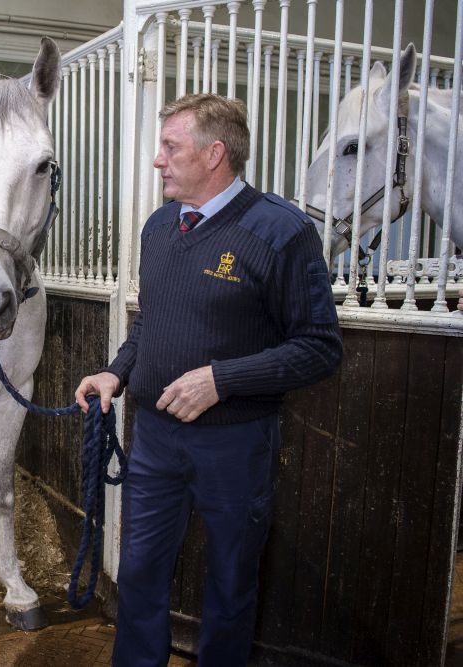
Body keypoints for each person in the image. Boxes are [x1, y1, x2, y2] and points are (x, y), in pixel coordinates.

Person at [75, 94, 343, 666]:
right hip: (154, 439)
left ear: (214, 153)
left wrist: (223, 379)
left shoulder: (280, 231)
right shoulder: (158, 228)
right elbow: (152, 323)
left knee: (230, 582)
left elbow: (320, 347)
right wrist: (115, 373)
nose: (158, 160)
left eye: (171, 147)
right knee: (140, 572)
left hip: (236, 442)